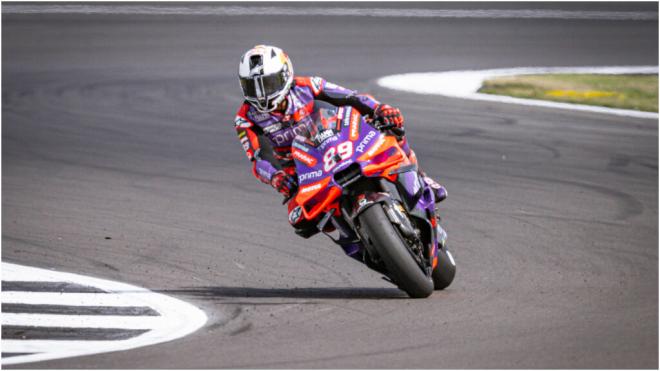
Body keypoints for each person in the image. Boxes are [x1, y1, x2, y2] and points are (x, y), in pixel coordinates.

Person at [234, 45, 446, 239]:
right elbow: (259, 158)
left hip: (339, 140)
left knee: (391, 126)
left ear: (285, 75)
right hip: (302, 171)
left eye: (268, 83)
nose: (262, 94)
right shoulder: (245, 118)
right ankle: (356, 237)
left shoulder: (308, 85)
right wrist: (276, 178)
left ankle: (421, 178)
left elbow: (351, 98)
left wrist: (379, 108)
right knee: (300, 222)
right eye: (253, 87)